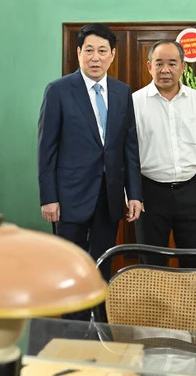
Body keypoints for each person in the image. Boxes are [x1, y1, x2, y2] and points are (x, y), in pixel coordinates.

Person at [38, 23, 143, 283]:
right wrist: (48, 198)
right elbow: (46, 149)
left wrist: (134, 194)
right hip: (69, 197)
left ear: (112, 54)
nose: (95, 57)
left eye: (102, 51)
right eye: (89, 50)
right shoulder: (58, 90)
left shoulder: (122, 92)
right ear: (78, 53)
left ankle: (99, 311)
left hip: (109, 197)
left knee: (102, 267)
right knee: (69, 268)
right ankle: (72, 312)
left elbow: (129, 147)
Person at [132, 40, 196, 268]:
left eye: (172, 63)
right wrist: (131, 195)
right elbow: (128, 153)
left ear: (183, 67)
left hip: (191, 191)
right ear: (149, 66)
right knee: (151, 262)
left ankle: (190, 293)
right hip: (149, 193)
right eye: (159, 63)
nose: (165, 70)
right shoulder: (134, 102)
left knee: (193, 259)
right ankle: (153, 293)